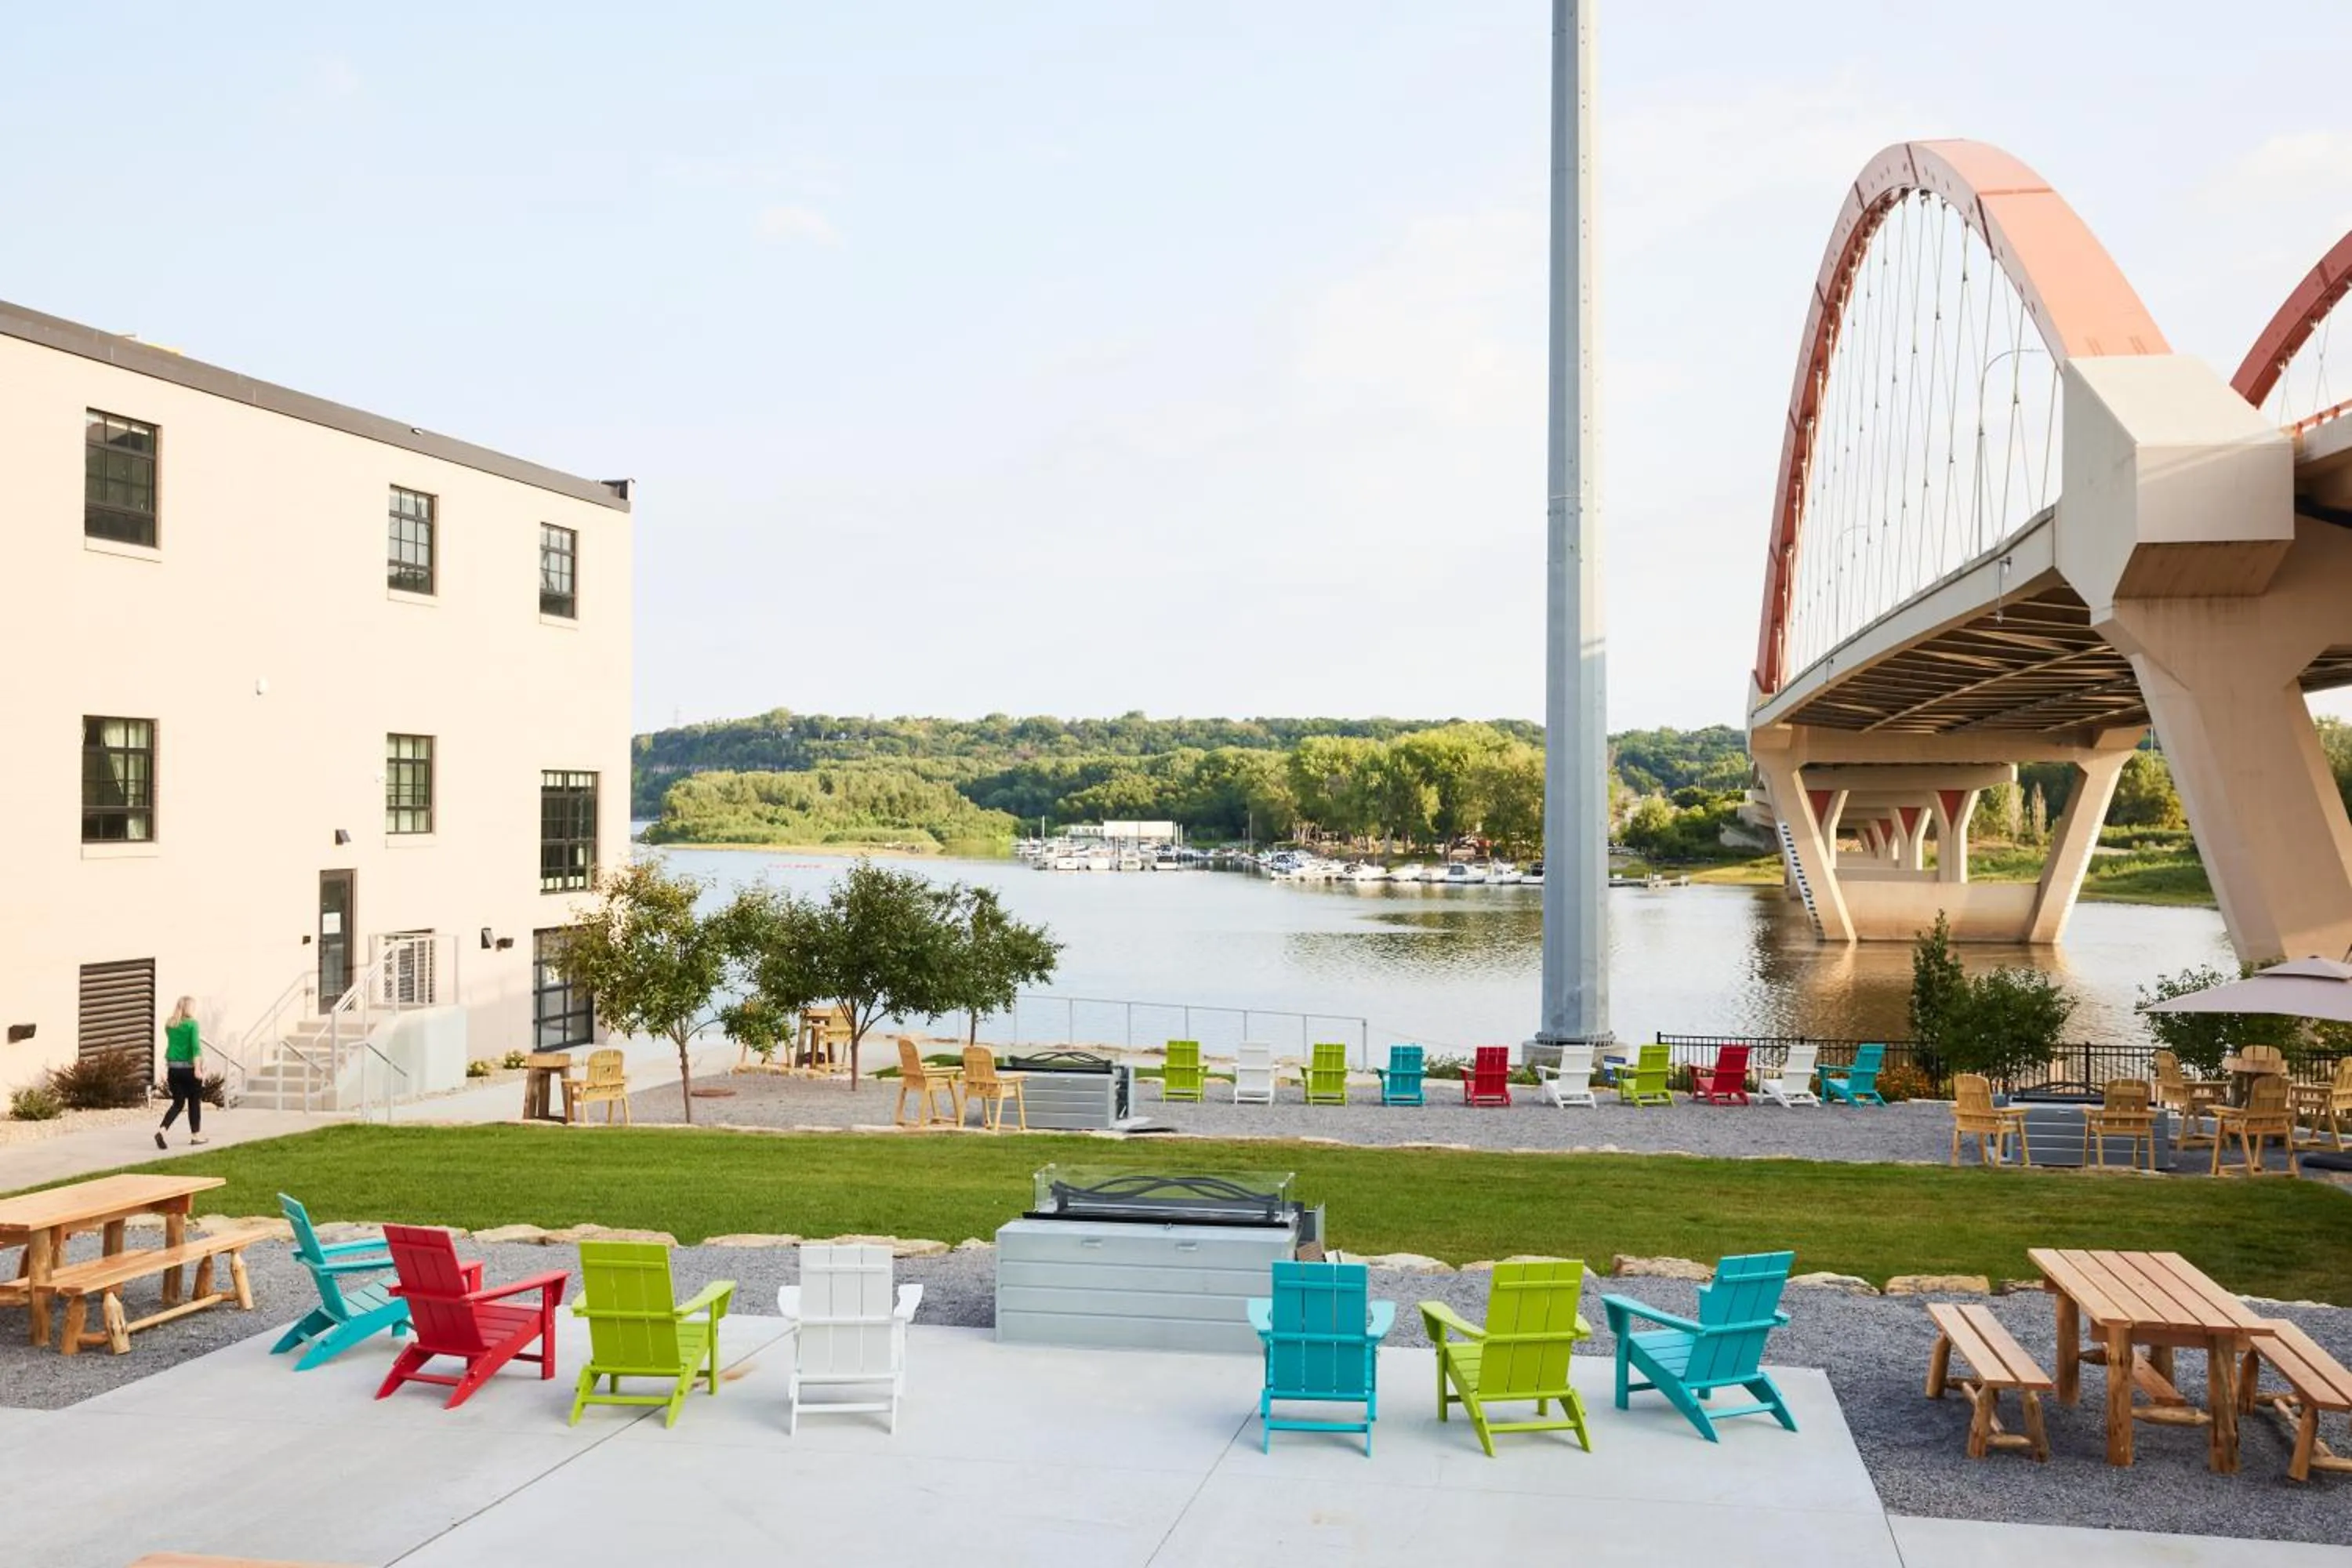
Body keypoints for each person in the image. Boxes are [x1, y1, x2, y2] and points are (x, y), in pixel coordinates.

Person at [157, 996, 208, 1149]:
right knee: (194, 1103)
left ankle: (162, 1130)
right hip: (189, 1069)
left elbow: (175, 1044)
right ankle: (196, 1136)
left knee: (178, 1103)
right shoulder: (193, 1024)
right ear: (188, 1008)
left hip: (173, 1070)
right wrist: (198, 1069)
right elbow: (195, 1048)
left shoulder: (170, 1024)